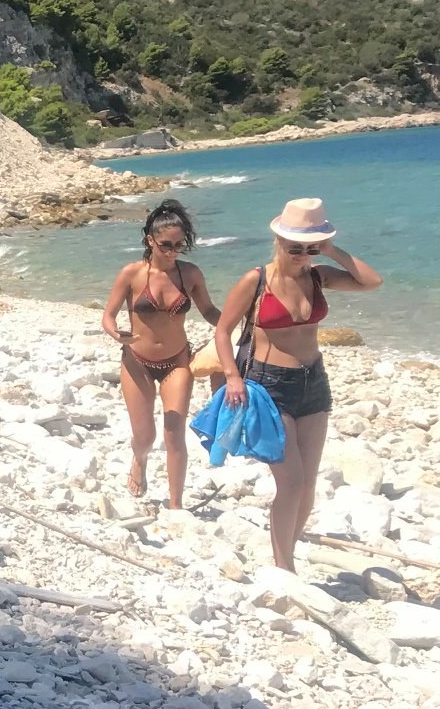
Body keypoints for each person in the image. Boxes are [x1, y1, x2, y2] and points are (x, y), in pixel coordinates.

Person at [213, 197, 382, 571]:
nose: (302, 256)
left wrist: (332, 250)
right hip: (270, 386)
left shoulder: (318, 276)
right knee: (290, 481)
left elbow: (372, 282)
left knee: (307, 485)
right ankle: (283, 566)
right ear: (278, 241)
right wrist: (232, 377)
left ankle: (286, 552)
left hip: (314, 384)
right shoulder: (255, 281)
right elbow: (223, 330)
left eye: (310, 248)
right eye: (295, 248)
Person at [100, 199, 221, 509]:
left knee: (173, 433)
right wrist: (116, 334)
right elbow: (109, 316)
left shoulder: (190, 274)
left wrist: (235, 326)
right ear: (150, 240)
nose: (172, 251)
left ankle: (176, 504)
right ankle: (138, 461)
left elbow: (207, 310)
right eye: (165, 244)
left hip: (177, 362)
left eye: (179, 245)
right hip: (136, 363)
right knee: (145, 437)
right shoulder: (132, 274)